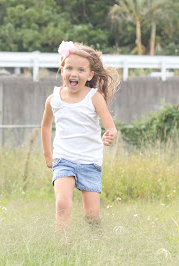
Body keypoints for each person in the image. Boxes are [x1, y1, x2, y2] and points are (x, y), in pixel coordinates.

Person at [41, 41, 120, 236]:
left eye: (80, 70)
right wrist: (47, 155)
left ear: (90, 75)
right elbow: (45, 125)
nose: (74, 73)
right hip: (63, 159)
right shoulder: (54, 99)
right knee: (62, 204)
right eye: (69, 68)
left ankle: (98, 243)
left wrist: (109, 134)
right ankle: (63, 249)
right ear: (62, 70)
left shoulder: (94, 97)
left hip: (89, 161)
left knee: (91, 216)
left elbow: (110, 127)